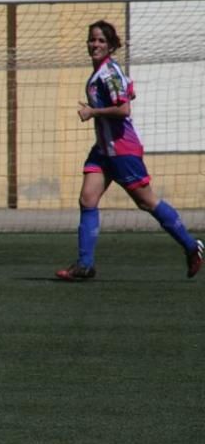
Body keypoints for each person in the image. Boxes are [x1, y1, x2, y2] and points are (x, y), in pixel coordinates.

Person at [56, 20, 204, 281]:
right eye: (92, 39)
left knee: (146, 201)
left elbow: (124, 108)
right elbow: (129, 91)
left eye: (101, 41)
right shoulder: (105, 72)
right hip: (103, 150)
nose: (95, 44)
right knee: (87, 199)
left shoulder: (108, 73)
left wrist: (94, 111)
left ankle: (192, 247)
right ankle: (85, 265)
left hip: (122, 148)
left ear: (111, 45)